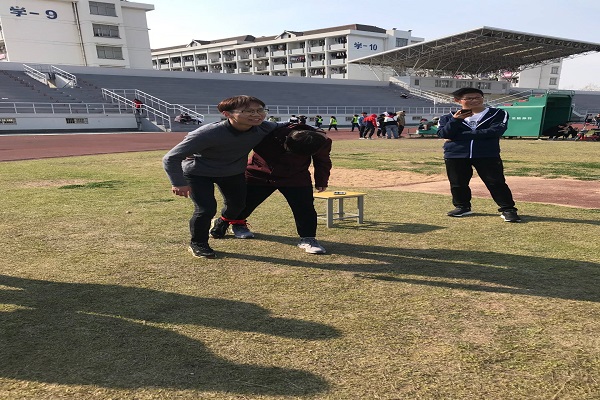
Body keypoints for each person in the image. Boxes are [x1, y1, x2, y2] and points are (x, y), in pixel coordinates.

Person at [163, 95, 283, 259]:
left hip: (232, 172)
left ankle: (222, 222)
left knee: (238, 205)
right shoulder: (208, 133)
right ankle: (198, 243)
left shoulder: (263, 127)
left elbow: (286, 125)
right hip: (199, 173)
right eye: (248, 111)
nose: (256, 115)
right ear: (227, 114)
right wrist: (178, 183)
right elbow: (170, 157)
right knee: (205, 209)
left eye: (260, 110)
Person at [226, 124, 332, 254]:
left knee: (305, 208)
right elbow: (239, 149)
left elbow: (322, 160)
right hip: (259, 173)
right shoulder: (267, 133)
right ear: (287, 139)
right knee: (244, 203)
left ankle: (308, 238)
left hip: (295, 175)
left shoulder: (321, 141)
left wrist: (321, 180)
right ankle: (236, 223)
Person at [437, 88, 521, 222]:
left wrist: (458, 136)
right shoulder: (448, 117)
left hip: (487, 154)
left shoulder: (498, 113)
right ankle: (462, 206)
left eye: (478, 97)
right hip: (456, 154)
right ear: (458, 100)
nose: (475, 101)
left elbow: (495, 131)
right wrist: (456, 120)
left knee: (495, 182)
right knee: (458, 183)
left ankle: (508, 209)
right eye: (469, 98)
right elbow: (444, 134)